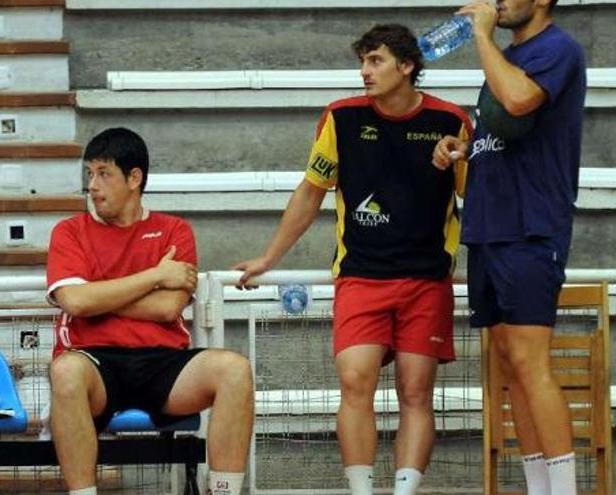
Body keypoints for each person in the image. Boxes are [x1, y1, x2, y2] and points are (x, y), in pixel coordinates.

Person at [234, 25, 471, 495]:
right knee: (354, 381)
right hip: (361, 276)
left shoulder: (452, 121)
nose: (364, 71)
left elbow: (480, 197)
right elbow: (309, 194)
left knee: (416, 392)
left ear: (407, 66)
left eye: (376, 61)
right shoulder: (340, 118)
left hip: (426, 279)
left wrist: (468, 160)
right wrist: (269, 257)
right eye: (363, 61)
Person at [46, 127, 254, 495]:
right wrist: (156, 275)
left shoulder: (174, 230)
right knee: (65, 371)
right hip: (95, 362)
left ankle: (224, 492)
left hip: (162, 361)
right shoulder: (70, 231)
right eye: (89, 174)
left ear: (134, 178)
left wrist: (100, 296)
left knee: (234, 369)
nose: (92, 185)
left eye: (104, 174)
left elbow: (167, 307)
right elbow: (75, 303)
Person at [432, 1, 586, 494]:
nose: (496, 2)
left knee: (530, 360)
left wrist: (480, 35)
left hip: (531, 227)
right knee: (510, 364)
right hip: (489, 225)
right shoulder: (506, 57)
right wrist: (464, 148)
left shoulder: (557, 49)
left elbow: (519, 100)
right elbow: (503, 129)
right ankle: (538, 487)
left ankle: (564, 491)